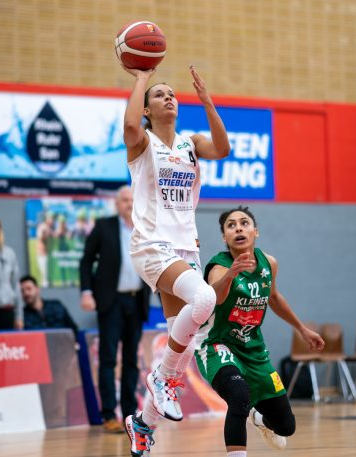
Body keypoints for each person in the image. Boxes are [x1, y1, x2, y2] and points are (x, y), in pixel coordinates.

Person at [121, 64, 231, 457]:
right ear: (148, 109)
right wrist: (140, 81)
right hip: (152, 246)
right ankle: (161, 377)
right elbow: (130, 127)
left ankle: (143, 423)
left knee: (183, 344)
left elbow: (223, 149)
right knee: (204, 302)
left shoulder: (190, 143)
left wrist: (208, 102)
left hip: (186, 248)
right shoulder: (143, 144)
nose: (169, 98)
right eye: (160, 95)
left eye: (172, 94)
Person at [198, 206, 324, 457]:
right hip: (217, 344)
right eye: (231, 225)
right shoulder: (219, 267)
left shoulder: (269, 263)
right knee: (238, 393)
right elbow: (217, 298)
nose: (238, 228)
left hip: (252, 347)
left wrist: (302, 329)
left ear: (256, 231)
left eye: (244, 223)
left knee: (286, 426)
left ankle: (259, 419)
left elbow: (274, 298)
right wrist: (231, 275)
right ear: (225, 237)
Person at [79, 185, 151, 434]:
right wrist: (86, 292)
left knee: (132, 360)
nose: (129, 204)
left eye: (132, 199)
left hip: (136, 300)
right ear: (116, 204)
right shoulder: (104, 227)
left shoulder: (145, 228)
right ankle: (109, 414)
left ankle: (130, 414)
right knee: (108, 359)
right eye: (124, 200)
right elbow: (86, 261)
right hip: (110, 302)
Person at [35, 211, 54, 287]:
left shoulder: (50, 228)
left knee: (49, 274)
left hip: (48, 253)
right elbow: (40, 237)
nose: (52, 220)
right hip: (42, 253)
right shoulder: (43, 226)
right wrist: (46, 234)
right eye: (51, 218)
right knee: (45, 275)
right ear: (47, 219)